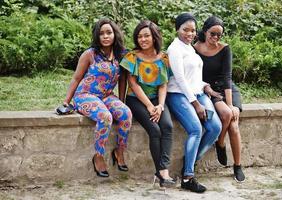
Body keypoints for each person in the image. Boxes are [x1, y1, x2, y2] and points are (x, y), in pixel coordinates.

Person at [63, 18, 132, 178]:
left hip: (107, 96)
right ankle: (99, 155)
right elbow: (76, 78)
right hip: (85, 95)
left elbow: (123, 80)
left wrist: (121, 100)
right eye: (101, 33)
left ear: (115, 34)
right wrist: (66, 101)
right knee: (105, 116)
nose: (105, 36)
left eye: (109, 32)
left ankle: (119, 150)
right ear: (97, 36)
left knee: (126, 113)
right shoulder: (90, 54)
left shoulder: (121, 55)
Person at [166, 13, 222, 193]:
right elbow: (181, 79)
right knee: (196, 129)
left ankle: (190, 161)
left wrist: (207, 88)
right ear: (177, 29)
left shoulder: (190, 48)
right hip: (178, 94)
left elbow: (194, 77)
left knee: (215, 127)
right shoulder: (175, 49)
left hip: (198, 93)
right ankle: (188, 177)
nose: (190, 33)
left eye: (193, 30)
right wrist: (196, 104)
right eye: (185, 30)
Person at [120, 20, 175, 187]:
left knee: (168, 126)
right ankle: (162, 173)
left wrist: (160, 105)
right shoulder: (132, 57)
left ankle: (162, 171)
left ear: (154, 37)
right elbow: (133, 84)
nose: (143, 39)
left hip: (156, 100)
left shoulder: (163, 57)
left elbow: (163, 84)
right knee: (154, 129)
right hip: (136, 99)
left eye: (146, 36)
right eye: (139, 36)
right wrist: (150, 106)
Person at [194, 16, 245, 182]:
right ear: (205, 31)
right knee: (226, 115)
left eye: (219, 35)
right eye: (213, 33)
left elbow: (227, 77)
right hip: (210, 90)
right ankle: (221, 143)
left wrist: (231, 104)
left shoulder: (225, 49)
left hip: (227, 89)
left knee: (234, 124)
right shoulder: (195, 48)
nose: (216, 38)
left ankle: (237, 164)